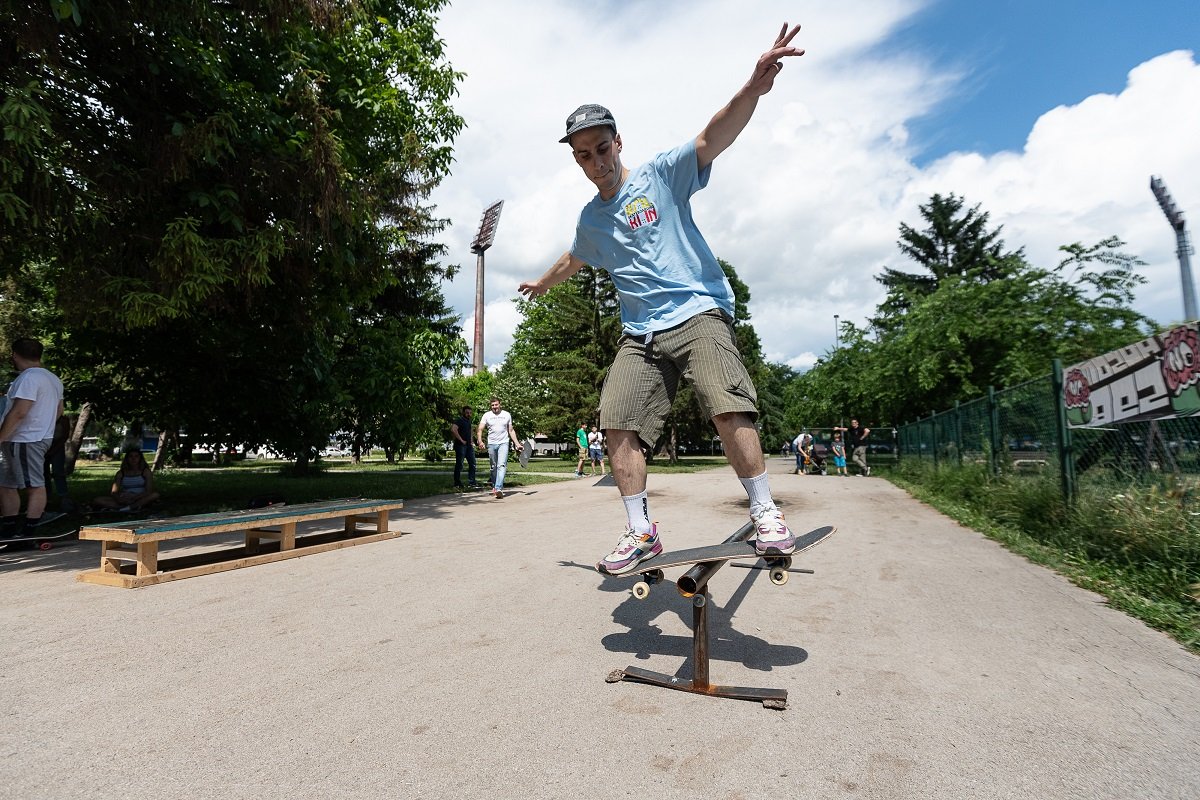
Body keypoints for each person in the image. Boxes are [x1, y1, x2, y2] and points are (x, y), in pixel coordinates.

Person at [518, 23, 805, 574]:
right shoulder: (591, 219)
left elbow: (712, 136)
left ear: (618, 142)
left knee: (726, 404)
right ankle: (641, 531)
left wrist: (753, 88)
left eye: (602, 149)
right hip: (641, 335)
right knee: (616, 420)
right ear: (576, 160)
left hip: (697, 312)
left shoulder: (661, 175)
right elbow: (574, 258)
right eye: (584, 155)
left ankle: (766, 511)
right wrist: (541, 283)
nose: (596, 162)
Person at [0, 338, 66, 535]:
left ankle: (29, 531)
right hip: (27, 438)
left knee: (34, 485)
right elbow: (59, 410)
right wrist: (45, 426)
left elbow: (19, 412)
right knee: (6, 484)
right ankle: (9, 529)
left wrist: (1, 437)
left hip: (25, 439)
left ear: (14, 355)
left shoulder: (29, 378)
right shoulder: (53, 378)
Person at [476, 397, 523, 498]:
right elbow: (480, 429)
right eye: (492, 405)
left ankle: (498, 488)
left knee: (501, 465)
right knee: (493, 467)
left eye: (496, 405)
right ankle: (494, 486)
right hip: (491, 443)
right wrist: (480, 441)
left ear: (500, 404)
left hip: (504, 443)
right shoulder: (487, 415)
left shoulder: (506, 414)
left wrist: (517, 443)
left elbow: (511, 430)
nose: (494, 407)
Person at [92, 448, 161, 511]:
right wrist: (120, 499)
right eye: (131, 456)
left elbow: (148, 491)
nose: (133, 459)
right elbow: (114, 492)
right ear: (127, 459)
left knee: (155, 495)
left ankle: (128, 508)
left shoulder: (145, 471)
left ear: (140, 458)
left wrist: (134, 498)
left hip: (141, 497)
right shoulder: (120, 473)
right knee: (97, 500)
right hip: (125, 498)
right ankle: (129, 508)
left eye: (136, 456)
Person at [449, 405, 479, 489]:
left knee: (472, 463)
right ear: (463, 413)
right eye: (467, 413)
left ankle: (472, 482)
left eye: (470, 413)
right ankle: (457, 483)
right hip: (460, 446)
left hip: (469, 446)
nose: (469, 414)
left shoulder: (468, 421)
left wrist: (471, 440)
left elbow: (470, 431)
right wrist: (461, 440)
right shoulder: (459, 420)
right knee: (459, 464)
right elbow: (453, 429)